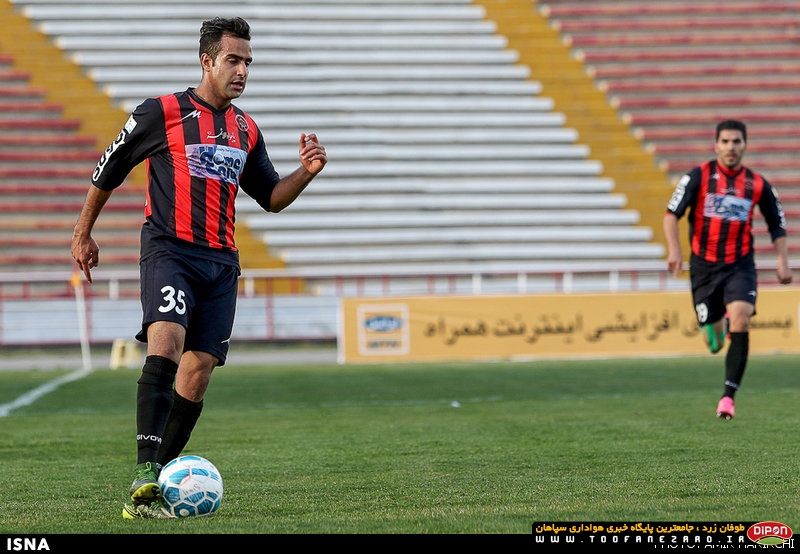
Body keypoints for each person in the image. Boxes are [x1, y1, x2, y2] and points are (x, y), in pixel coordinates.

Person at [70, 16, 327, 518]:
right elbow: (108, 168)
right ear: (207, 61)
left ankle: (154, 488)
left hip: (221, 262)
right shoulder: (161, 112)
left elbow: (271, 197)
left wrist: (307, 172)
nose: (242, 70)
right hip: (170, 250)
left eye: (248, 62)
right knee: (166, 342)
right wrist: (83, 232)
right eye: (233, 60)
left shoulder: (246, 129)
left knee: (198, 371)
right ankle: (145, 468)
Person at [663, 119, 791, 421]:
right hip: (703, 268)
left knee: (742, 319)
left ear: (744, 145)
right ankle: (719, 328)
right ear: (716, 145)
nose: (731, 147)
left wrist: (782, 260)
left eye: (736, 141)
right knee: (714, 342)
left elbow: (777, 223)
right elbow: (671, 215)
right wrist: (674, 250)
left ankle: (728, 397)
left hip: (739, 265)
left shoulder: (757, 184)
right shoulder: (697, 177)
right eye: (725, 141)